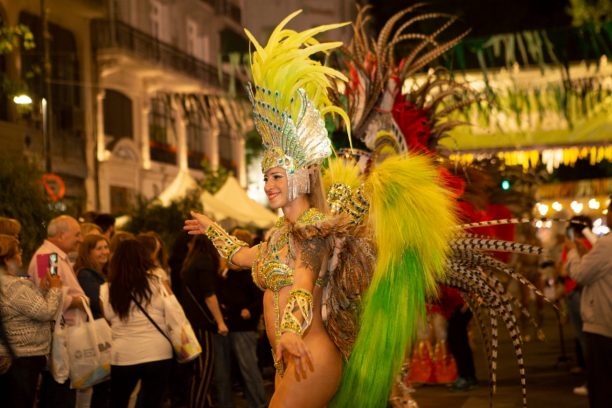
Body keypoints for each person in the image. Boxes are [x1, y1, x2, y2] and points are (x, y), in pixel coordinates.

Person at [100, 239, 173, 408]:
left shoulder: (107, 288)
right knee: (151, 402)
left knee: (118, 401)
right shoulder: (157, 282)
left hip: (124, 354)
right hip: (158, 352)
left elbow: (109, 317)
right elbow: (172, 310)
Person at [28, 215, 86, 407]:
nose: (81, 239)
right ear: (61, 235)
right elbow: (49, 295)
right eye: (77, 234)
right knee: (58, 394)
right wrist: (77, 301)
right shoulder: (48, 257)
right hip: (59, 338)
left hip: (64, 335)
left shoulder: (55, 255)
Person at [0, 234, 63, 408]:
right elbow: (46, 312)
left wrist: (42, 291)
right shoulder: (12, 286)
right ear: (7, 259)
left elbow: (28, 309)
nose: (21, 255)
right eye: (18, 252)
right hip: (23, 357)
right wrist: (56, 289)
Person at [565, 200, 612, 408]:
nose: (607, 215)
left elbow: (580, 274)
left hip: (603, 322)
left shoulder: (607, 244)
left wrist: (573, 252)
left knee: (602, 385)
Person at [212, 229, 267, 408]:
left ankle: (258, 404)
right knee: (224, 372)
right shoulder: (225, 273)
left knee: (249, 370)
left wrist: (249, 311)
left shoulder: (252, 272)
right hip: (225, 328)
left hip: (243, 328)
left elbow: (260, 299)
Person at [180, 235, 228, 408]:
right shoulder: (205, 262)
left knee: (197, 371)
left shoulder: (190, 261)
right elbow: (209, 296)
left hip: (191, 322)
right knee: (204, 371)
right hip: (203, 324)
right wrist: (220, 322)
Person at [75, 233, 111, 408]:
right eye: (99, 248)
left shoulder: (101, 273)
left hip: (102, 333)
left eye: (106, 247)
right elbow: (98, 303)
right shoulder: (86, 275)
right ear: (88, 252)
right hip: (96, 333)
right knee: (100, 387)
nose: (105, 252)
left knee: (103, 387)